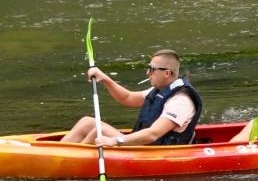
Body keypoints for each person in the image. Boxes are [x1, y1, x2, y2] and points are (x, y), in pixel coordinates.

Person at [64, 48, 202, 147]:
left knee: (97, 132)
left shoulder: (180, 101)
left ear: (167, 73)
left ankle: (67, 161)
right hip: (143, 145)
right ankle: (59, 153)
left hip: (155, 152)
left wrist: (116, 141)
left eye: (152, 69)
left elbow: (153, 134)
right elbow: (127, 98)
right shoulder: (160, 89)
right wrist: (105, 79)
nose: (147, 73)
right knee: (87, 122)